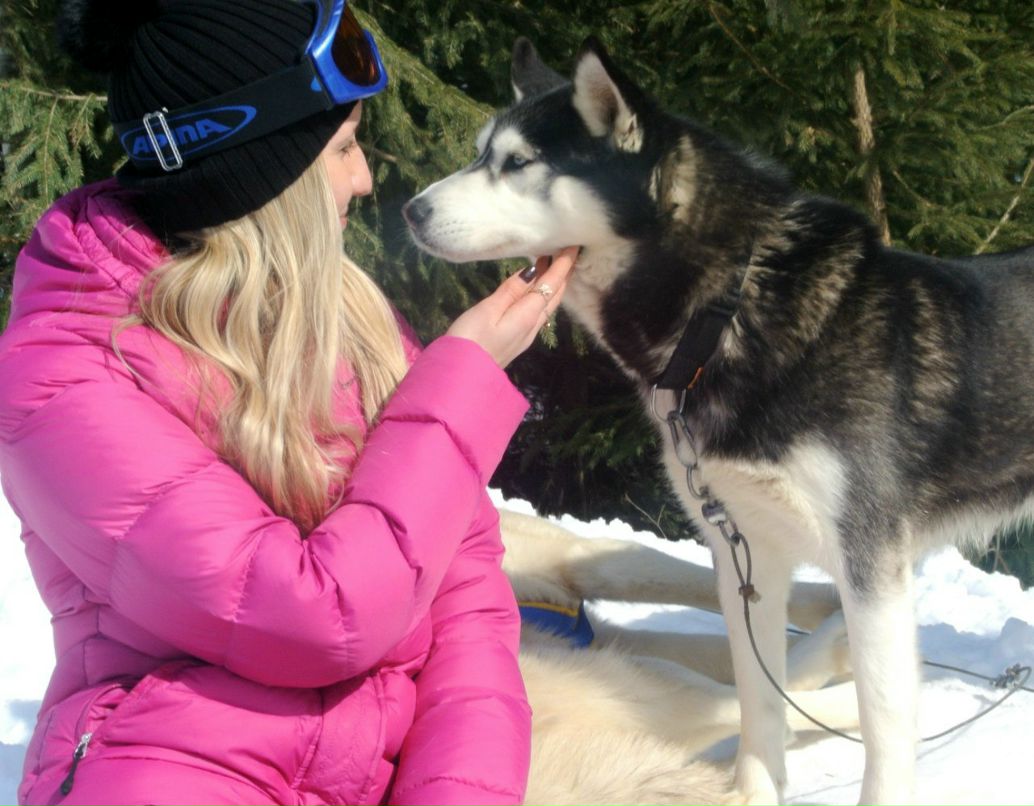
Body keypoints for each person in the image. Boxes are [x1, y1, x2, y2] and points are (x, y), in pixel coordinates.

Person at [0, 1, 577, 804]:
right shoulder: (64, 374)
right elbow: (315, 619)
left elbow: (466, 602)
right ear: (263, 171)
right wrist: (460, 381)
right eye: (342, 147)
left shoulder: (347, 314)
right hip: (175, 768)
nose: (366, 176)